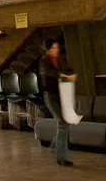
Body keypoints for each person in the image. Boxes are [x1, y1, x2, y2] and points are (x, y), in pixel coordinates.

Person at [38, 38, 77, 167]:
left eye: (56, 48)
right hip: (50, 95)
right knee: (62, 121)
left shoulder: (59, 60)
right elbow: (51, 73)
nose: (55, 50)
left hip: (62, 94)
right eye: (53, 48)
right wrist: (64, 76)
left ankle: (55, 147)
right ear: (47, 49)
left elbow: (68, 69)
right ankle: (61, 157)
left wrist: (72, 75)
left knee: (65, 122)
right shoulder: (44, 61)